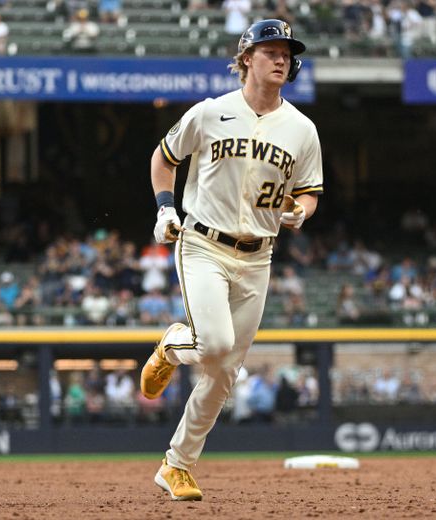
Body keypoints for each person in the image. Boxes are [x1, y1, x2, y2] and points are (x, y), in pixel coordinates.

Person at [139, 19, 322, 501]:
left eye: (286, 51)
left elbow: (308, 192)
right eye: (270, 50)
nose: (281, 58)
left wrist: (300, 212)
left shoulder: (302, 130)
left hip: (259, 257)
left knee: (224, 372)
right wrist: (164, 206)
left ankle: (176, 465)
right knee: (214, 344)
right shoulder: (210, 112)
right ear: (246, 59)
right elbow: (163, 159)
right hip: (203, 244)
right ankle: (174, 345)